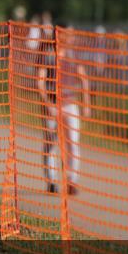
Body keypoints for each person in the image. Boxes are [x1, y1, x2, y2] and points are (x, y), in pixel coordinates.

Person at [37, 28, 91, 195]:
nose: (71, 37)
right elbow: (40, 81)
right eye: (67, 34)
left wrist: (86, 104)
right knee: (51, 143)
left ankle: (71, 180)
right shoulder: (47, 55)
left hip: (69, 103)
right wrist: (47, 103)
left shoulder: (73, 55)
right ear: (58, 34)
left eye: (72, 34)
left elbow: (83, 79)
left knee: (72, 143)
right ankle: (52, 181)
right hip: (52, 103)